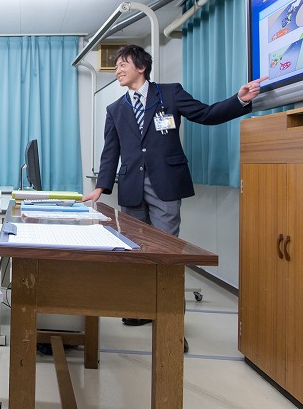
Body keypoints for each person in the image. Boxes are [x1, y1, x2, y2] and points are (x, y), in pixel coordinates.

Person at [82, 44, 266, 332]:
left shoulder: (169, 94)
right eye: (116, 65)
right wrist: (102, 187)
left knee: (166, 251)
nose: (117, 69)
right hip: (131, 186)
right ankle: (142, 308)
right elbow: (111, 151)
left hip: (165, 183)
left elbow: (206, 114)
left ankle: (171, 322)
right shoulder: (115, 108)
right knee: (136, 251)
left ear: (141, 67)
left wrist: (239, 101)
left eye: (122, 64)